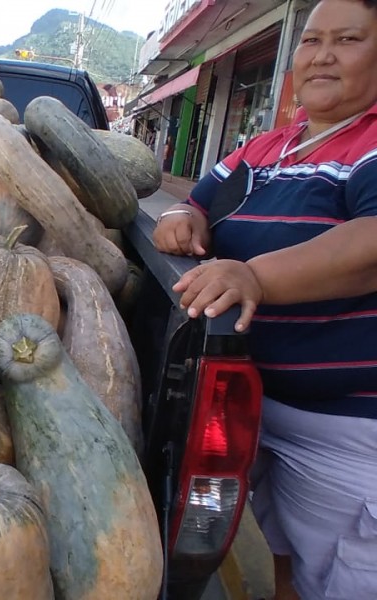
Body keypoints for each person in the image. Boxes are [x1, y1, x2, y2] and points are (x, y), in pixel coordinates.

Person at [152, 1, 377, 598]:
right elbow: (196, 199)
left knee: (342, 579)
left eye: (348, 39)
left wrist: (256, 276)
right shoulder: (269, 146)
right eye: (311, 41)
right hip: (253, 412)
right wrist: (182, 217)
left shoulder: (372, 142)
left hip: (344, 429)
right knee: (281, 563)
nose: (323, 54)